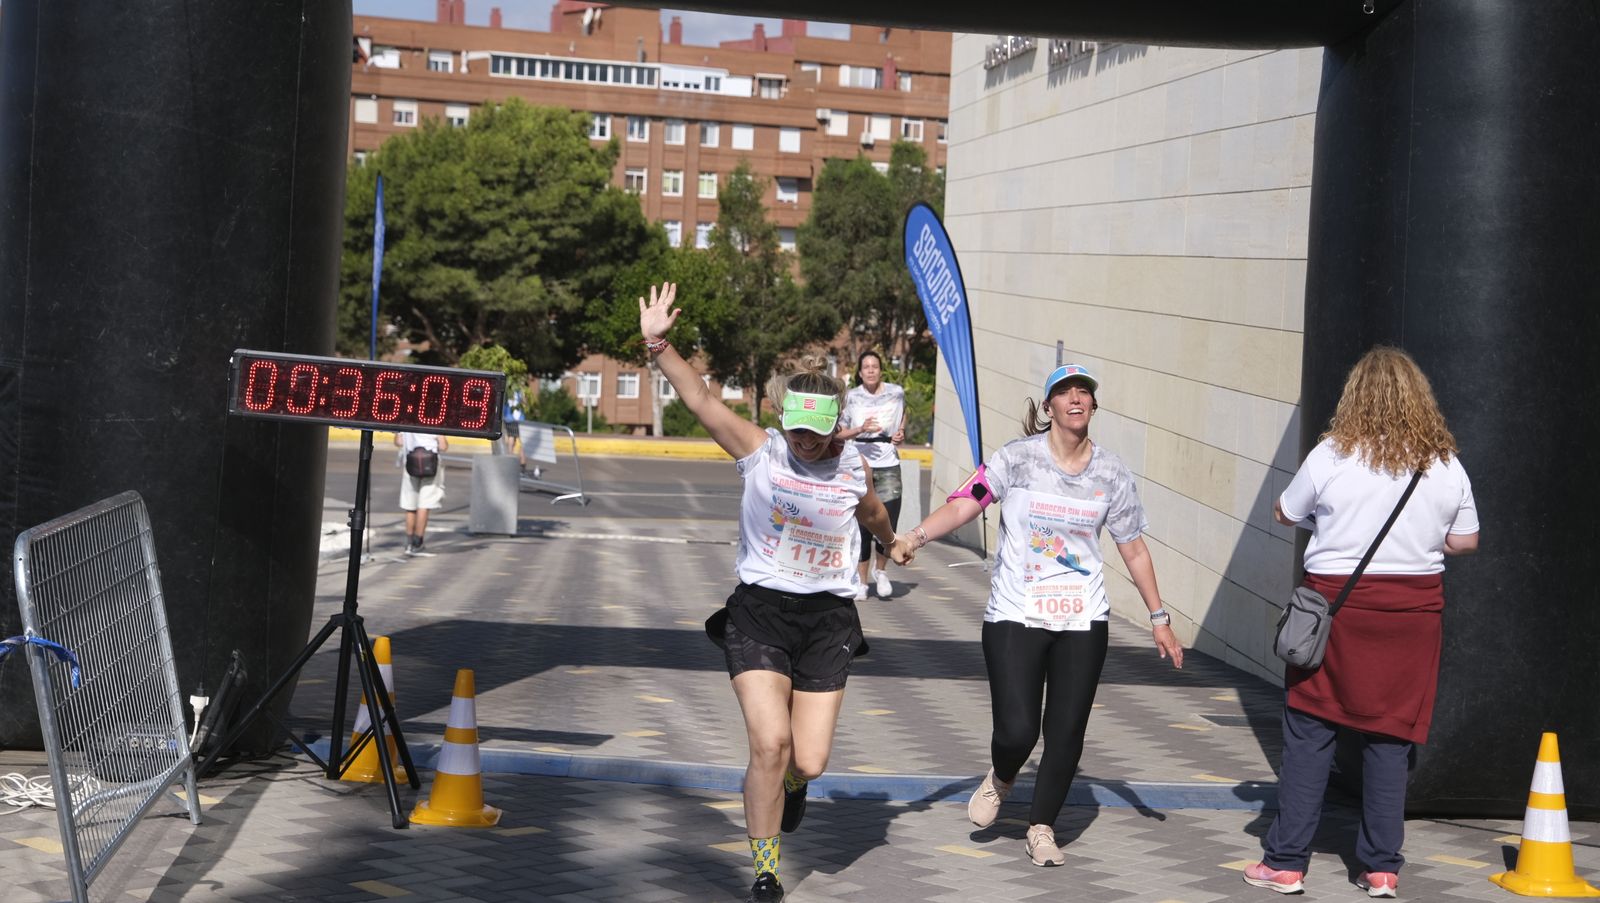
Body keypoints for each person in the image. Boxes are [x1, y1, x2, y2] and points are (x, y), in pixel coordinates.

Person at [639, 282, 909, 903]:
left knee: (807, 760)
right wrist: (658, 345)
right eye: (797, 430)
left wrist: (892, 542)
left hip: (828, 621)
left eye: (816, 432)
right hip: (759, 615)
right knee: (769, 744)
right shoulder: (762, 452)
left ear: (836, 424)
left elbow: (871, 512)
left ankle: (795, 785)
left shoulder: (851, 465)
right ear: (784, 419)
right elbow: (701, 399)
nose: (805, 442)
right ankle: (766, 872)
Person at [892, 363, 1183, 866]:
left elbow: (1133, 547)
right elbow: (966, 503)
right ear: (1048, 407)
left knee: (1066, 730)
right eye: (1065, 393)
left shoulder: (1111, 472)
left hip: (1082, 617)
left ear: (1094, 405)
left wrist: (1159, 617)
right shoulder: (1016, 459)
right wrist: (916, 537)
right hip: (1016, 612)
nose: (1076, 399)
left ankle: (1042, 827)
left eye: (1084, 392)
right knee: (1018, 731)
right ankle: (1002, 776)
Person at [1244, 346, 1478, 899]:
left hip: (1336, 611)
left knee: (1310, 732)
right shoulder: (1445, 464)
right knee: (1390, 739)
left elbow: (1285, 511)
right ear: (1420, 400)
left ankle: (1286, 863)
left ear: (1355, 397)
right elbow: (1466, 540)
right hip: (1412, 619)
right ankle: (1380, 869)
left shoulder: (1331, 455)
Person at [838, 350, 908, 600]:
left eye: (874, 366)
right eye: (866, 367)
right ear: (859, 372)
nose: (870, 370)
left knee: (887, 520)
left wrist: (900, 432)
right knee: (862, 524)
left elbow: (903, 415)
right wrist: (860, 428)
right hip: (860, 463)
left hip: (888, 463)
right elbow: (839, 432)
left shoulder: (896, 392)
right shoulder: (851, 397)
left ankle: (881, 571)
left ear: (880, 370)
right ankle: (862, 582)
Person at [395, 431, 447, 556]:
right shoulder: (435, 422)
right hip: (431, 464)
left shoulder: (406, 421)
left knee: (410, 505)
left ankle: (409, 542)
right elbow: (443, 446)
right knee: (424, 504)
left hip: (410, 463)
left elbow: (398, 441)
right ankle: (418, 542)